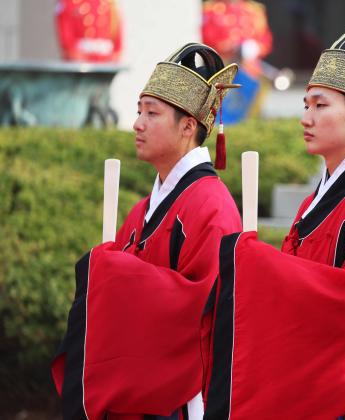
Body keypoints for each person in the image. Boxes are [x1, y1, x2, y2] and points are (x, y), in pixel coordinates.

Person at [204, 30, 345, 419]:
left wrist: (260, 265)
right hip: (303, 384)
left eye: (319, 105)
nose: (305, 118)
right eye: (305, 104)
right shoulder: (314, 201)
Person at [51, 43, 242, 420]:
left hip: (182, 400)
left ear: (188, 125)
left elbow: (207, 311)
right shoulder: (143, 210)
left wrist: (114, 274)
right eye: (139, 112)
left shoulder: (211, 205)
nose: (137, 124)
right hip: (136, 397)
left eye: (151, 114)